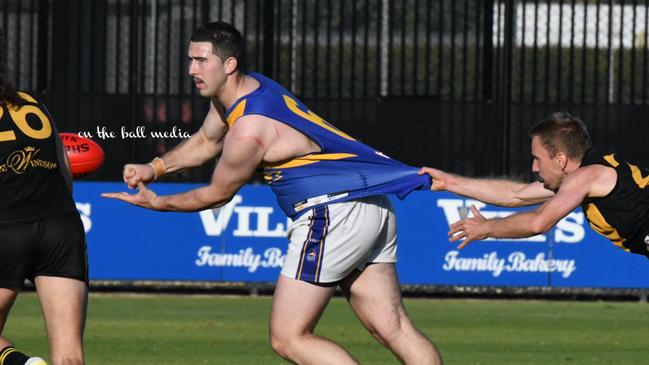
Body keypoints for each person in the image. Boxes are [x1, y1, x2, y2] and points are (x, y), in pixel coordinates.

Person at [102, 21, 443, 364]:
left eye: (201, 60)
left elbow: (216, 195)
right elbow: (206, 141)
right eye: (190, 59)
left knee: (289, 338)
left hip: (331, 212)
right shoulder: (253, 87)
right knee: (392, 326)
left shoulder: (249, 129)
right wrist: (155, 168)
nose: (192, 69)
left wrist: (159, 202)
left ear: (229, 64)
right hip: (370, 204)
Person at [419, 112, 649, 257]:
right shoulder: (583, 178)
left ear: (560, 159)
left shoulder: (585, 177)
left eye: (538, 159)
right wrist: (449, 182)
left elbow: (538, 223)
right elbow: (515, 195)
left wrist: (486, 228)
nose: (534, 168)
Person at [0, 31, 88, 365]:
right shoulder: (32, 103)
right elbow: (64, 173)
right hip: (61, 225)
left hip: (6, 228)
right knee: (69, 356)